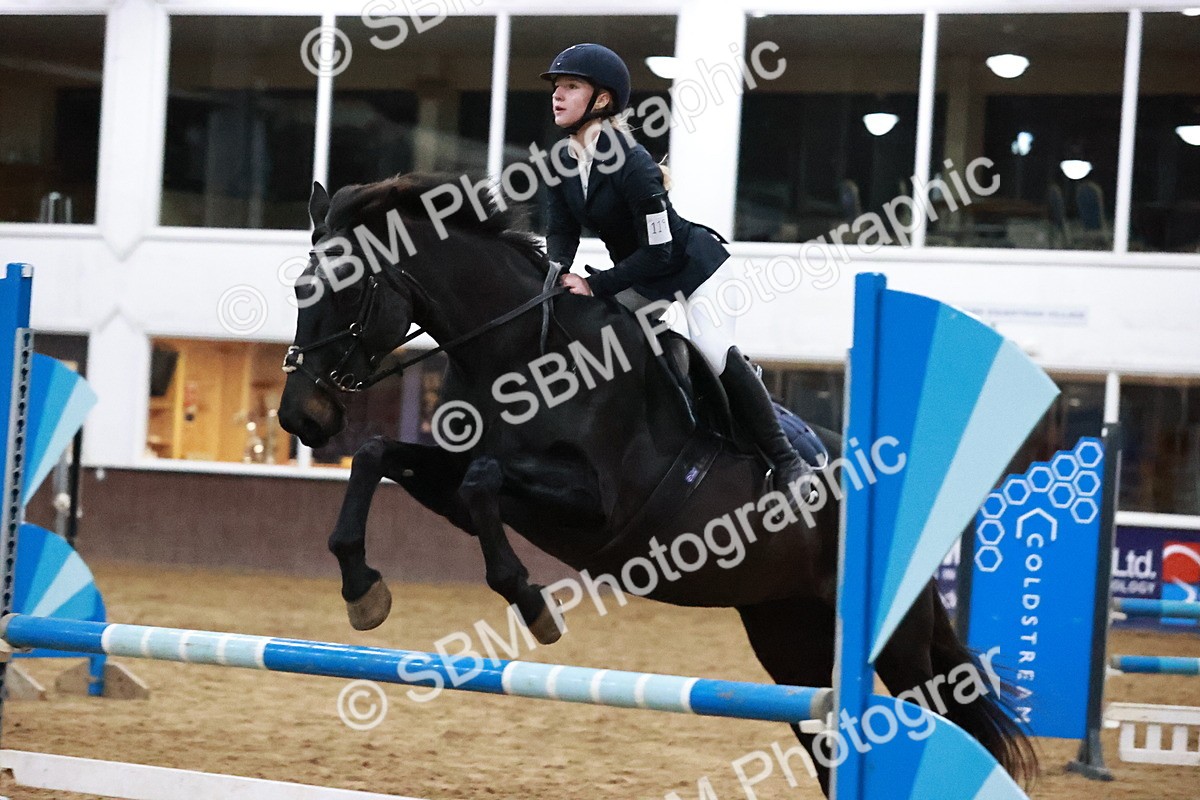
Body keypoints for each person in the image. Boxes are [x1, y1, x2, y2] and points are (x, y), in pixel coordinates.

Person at [540, 43, 817, 505]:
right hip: (642, 277)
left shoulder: (632, 163)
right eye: (557, 87)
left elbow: (660, 250)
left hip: (693, 269)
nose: (557, 95)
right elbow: (561, 231)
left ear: (602, 100)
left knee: (713, 352)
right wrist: (554, 275)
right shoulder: (561, 162)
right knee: (599, 337)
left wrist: (595, 283)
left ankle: (788, 461)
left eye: (571, 86)